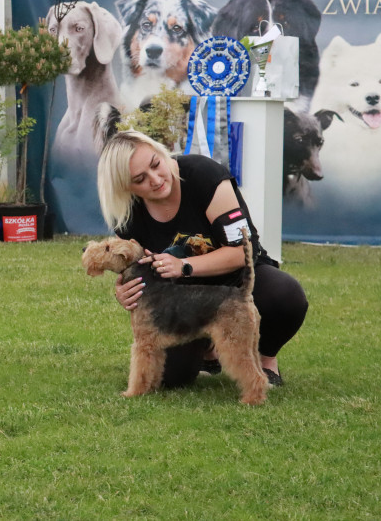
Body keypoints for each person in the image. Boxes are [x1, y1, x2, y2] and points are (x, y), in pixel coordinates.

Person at [97, 130, 308, 388]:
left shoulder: (204, 175)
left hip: (236, 276)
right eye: (140, 179)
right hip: (183, 298)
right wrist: (122, 290)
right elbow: (133, 264)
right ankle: (209, 350)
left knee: (285, 295)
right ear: (126, 187)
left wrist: (185, 266)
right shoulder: (128, 213)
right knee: (170, 378)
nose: (155, 179)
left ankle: (265, 362)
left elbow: (244, 250)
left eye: (155, 164)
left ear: (162, 153)